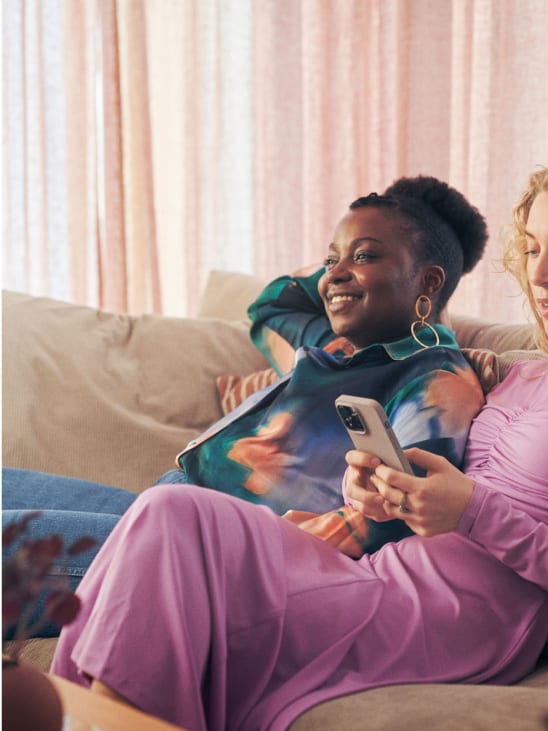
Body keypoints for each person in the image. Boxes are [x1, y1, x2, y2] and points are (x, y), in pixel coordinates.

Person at [51, 147, 548, 731]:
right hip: (386, 568)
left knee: (168, 530)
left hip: (462, 617)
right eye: (532, 248)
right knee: (171, 512)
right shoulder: (525, 376)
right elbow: (446, 493)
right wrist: (382, 494)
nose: (540, 274)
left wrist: (476, 512)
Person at [2, 175, 488, 638]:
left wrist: (262, 558)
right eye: (330, 257)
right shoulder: (338, 344)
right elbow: (272, 304)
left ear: (428, 282)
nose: (335, 273)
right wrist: (342, 270)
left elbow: (392, 516)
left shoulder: (435, 382)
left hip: (213, 555)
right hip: (171, 505)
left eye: (364, 255)